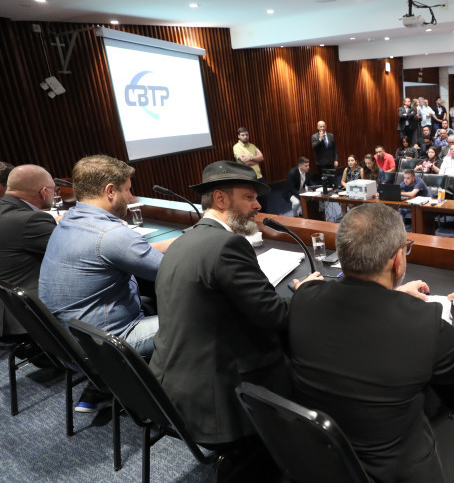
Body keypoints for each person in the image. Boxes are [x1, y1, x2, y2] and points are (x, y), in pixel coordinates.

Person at [288, 203, 454, 483]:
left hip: (326, 459)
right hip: (404, 472)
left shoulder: (304, 298)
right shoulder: (423, 322)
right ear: (397, 261)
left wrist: (394, 294)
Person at [150, 161, 321, 446]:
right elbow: (276, 315)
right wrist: (304, 291)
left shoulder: (182, 240)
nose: (258, 205)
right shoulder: (228, 245)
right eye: (249, 197)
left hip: (174, 390)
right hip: (217, 404)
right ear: (220, 198)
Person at [40, 155, 173, 411]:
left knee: (148, 301)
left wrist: (172, 244)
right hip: (107, 344)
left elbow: (116, 251)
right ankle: (167, 397)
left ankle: (105, 385)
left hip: (69, 343)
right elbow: (173, 274)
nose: (131, 197)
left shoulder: (69, 220)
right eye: (128, 189)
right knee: (199, 319)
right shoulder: (111, 234)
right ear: (110, 191)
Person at [0, 165, 57, 337]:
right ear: (44, 192)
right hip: (28, 315)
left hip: (7, 308)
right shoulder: (32, 220)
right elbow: (72, 251)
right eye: (54, 189)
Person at [233, 126, 267, 210]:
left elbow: (262, 158)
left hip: (259, 177)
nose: (245, 137)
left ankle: (265, 220)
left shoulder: (252, 146)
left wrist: (250, 158)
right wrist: (256, 159)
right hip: (248, 179)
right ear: (239, 136)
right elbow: (245, 162)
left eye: (247, 135)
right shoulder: (236, 147)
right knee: (253, 203)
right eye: (243, 135)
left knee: (264, 200)